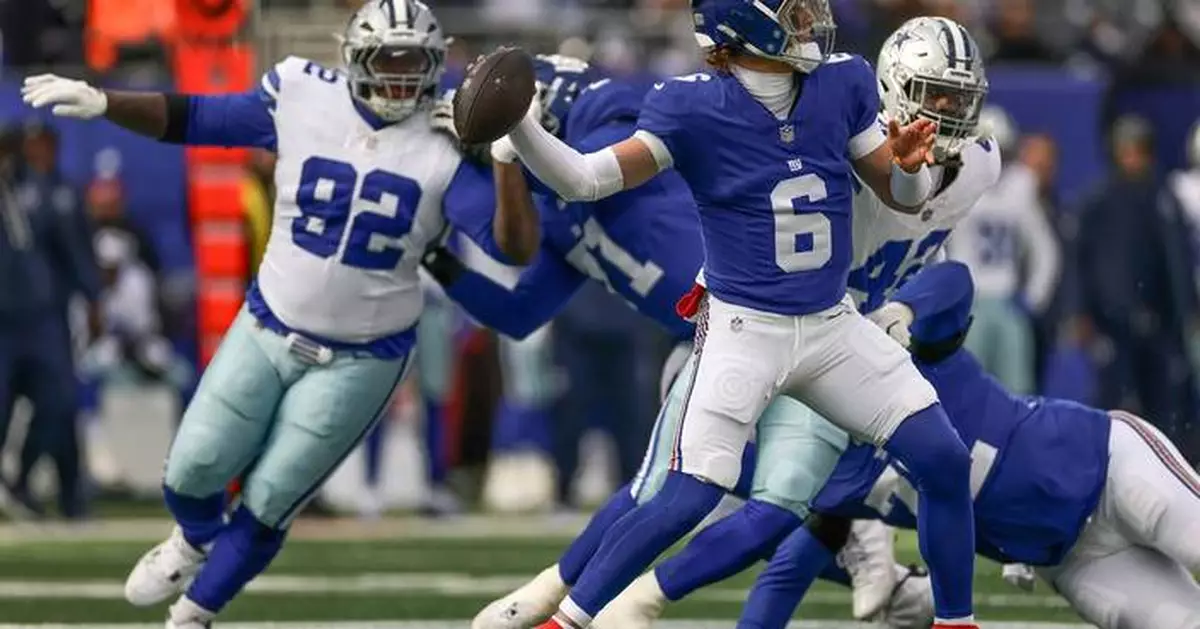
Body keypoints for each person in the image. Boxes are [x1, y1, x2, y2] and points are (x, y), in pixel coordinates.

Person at [484, 3, 982, 624]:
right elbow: (585, 180)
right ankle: (568, 619)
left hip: (832, 324)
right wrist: (520, 132)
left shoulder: (840, 82)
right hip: (745, 329)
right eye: (793, 12)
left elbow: (902, 198)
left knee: (943, 458)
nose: (810, 21)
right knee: (686, 496)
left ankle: (956, 621)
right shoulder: (692, 106)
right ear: (743, 24)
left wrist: (911, 169)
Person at [22, 1, 509, 627]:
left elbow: (508, 243)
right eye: (387, 61)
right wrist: (106, 100)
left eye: (413, 64)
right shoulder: (304, 93)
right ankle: (191, 540)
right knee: (191, 471)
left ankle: (193, 615)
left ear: (435, 65)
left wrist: (502, 157)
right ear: (355, 58)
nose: (399, 78)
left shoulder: (445, 138)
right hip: (270, 322)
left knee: (272, 498)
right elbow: (198, 116)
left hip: (365, 353)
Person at [739, 260, 1200, 629]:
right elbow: (784, 568)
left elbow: (954, 280)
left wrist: (902, 312)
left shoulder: (906, 362)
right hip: (1071, 559)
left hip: (1108, 465)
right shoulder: (833, 481)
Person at [0, 121, 100, 520]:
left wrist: (92, 299)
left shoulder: (54, 191)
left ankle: (23, 478)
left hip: (44, 318)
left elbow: (75, 252)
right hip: (2, 322)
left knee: (59, 403)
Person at [947, 111, 1060, 394]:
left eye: (1000, 150)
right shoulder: (955, 180)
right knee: (965, 392)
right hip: (967, 301)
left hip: (1007, 300)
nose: (992, 158)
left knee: (1017, 394)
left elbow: (1045, 250)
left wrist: (1032, 299)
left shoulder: (1021, 186)